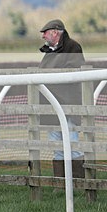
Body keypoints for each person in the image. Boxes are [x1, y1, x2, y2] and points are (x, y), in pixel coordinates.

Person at [38, 18, 85, 178]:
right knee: (57, 147)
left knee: (73, 144)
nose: (43, 36)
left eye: (45, 33)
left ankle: (78, 181)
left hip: (68, 105)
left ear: (55, 32)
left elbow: (74, 73)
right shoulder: (49, 52)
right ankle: (60, 183)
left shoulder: (73, 47)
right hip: (51, 107)